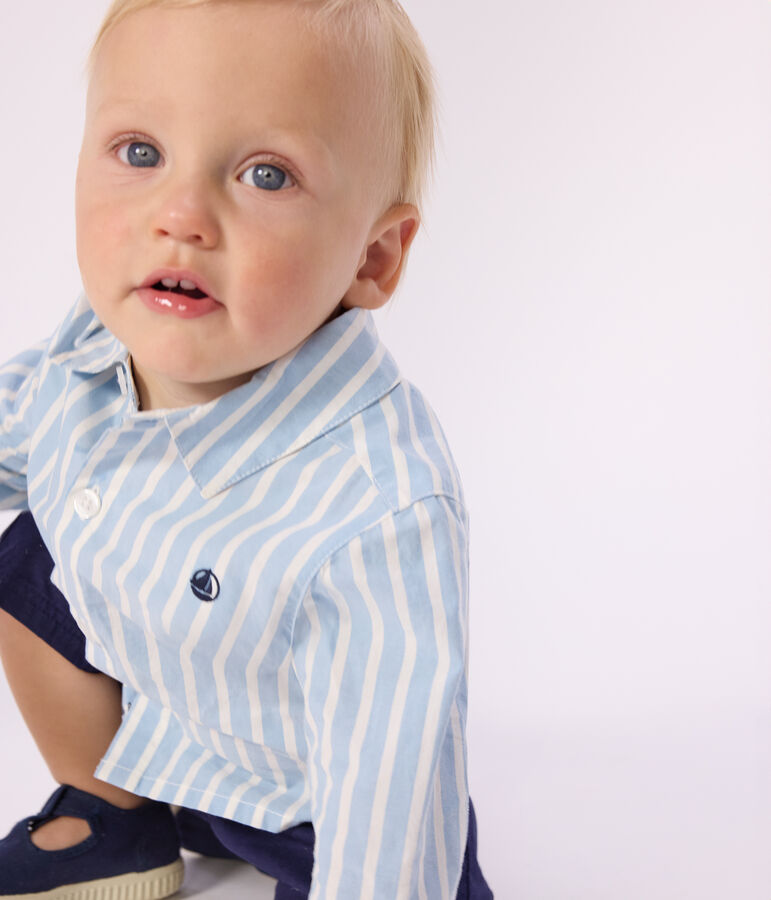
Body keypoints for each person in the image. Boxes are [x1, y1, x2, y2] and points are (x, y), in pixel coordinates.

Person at [0, 0, 493, 897]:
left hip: (311, 801)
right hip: (160, 724)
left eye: (266, 175)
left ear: (372, 257)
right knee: (25, 557)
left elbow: (393, 757)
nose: (180, 215)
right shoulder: (102, 339)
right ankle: (119, 819)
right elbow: (19, 417)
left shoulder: (376, 504)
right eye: (141, 153)